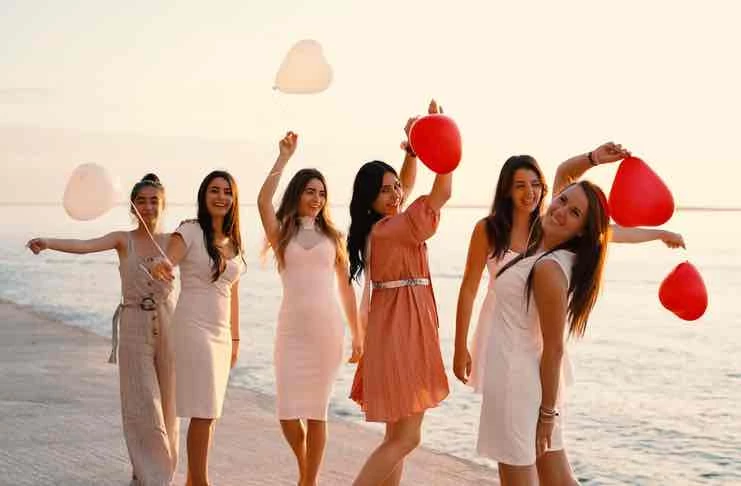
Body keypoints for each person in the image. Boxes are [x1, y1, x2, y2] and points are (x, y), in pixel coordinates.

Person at [475, 144, 681, 485]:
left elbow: (554, 348)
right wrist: (594, 158)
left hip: (518, 385)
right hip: (526, 381)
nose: (560, 210)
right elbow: (564, 174)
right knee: (559, 480)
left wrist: (547, 414)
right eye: (562, 200)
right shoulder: (549, 248)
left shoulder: (549, 267)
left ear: (583, 230)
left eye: (574, 213)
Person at [453, 147, 685, 391]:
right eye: (520, 186)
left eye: (535, 184)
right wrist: (459, 347)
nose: (529, 193)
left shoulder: (549, 226)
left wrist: (660, 234)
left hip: (537, 336)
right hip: (500, 325)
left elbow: (609, 233)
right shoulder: (488, 230)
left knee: (534, 397)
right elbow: (469, 288)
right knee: (500, 401)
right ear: (507, 190)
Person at [28, 174, 178, 486]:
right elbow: (85, 246)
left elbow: (206, 262)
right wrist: (48, 242)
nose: (148, 207)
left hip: (169, 323)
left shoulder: (174, 241)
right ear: (133, 207)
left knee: (168, 403)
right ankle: (154, 474)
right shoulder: (123, 239)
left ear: (163, 204)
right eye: (141, 201)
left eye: (154, 200)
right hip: (134, 323)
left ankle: (152, 470)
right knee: (142, 401)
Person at [348, 101, 452, 486]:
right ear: (369, 199)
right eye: (385, 190)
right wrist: (443, 144)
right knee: (408, 438)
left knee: (395, 436)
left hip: (395, 328)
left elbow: (404, 188)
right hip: (403, 332)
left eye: (395, 187)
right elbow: (442, 192)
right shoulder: (394, 229)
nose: (395, 194)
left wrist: (412, 151)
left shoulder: (381, 227)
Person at [257, 131, 362, 486]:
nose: (317, 199)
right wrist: (283, 157)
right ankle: (306, 471)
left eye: (321, 193)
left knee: (317, 413)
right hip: (291, 332)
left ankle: (309, 481)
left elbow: (346, 289)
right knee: (287, 414)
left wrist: (358, 336)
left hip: (326, 331)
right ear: (297, 194)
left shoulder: (334, 237)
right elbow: (262, 200)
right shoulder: (282, 233)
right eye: (310, 192)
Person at [151, 170, 245, 486]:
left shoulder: (233, 241)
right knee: (203, 411)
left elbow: (232, 292)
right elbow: (169, 258)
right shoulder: (190, 230)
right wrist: (163, 266)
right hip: (193, 327)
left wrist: (235, 338)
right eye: (214, 190)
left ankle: (193, 480)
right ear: (204, 195)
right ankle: (201, 482)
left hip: (221, 335)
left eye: (227, 192)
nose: (221, 197)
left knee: (211, 410)